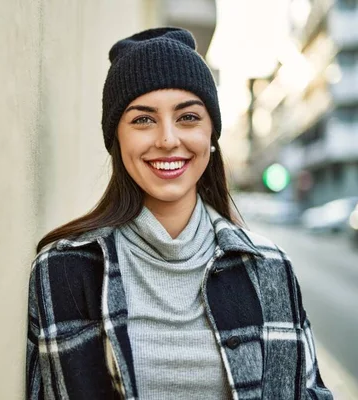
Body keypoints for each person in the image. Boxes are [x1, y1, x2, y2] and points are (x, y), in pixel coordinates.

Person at [25, 27, 332, 400]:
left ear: (211, 136)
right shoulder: (63, 269)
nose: (168, 139)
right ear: (116, 139)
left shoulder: (270, 268)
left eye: (188, 117)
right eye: (143, 120)